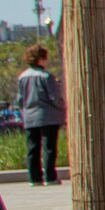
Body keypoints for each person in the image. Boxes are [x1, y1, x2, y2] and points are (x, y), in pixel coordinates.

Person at [15, 45, 64, 186]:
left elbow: (20, 99)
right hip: (48, 116)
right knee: (49, 147)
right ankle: (50, 176)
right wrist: (63, 108)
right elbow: (55, 97)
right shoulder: (46, 76)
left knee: (33, 148)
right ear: (40, 59)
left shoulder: (22, 77)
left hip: (30, 116)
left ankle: (35, 177)